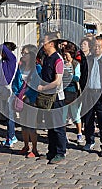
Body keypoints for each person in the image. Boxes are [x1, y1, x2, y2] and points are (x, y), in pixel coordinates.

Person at [82, 35, 102, 157]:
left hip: (101, 95)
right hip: (89, 93)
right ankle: (89, 141)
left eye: (99, 46)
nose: (96, 48)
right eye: (95, 46)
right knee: (88, 120)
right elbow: (83, 77)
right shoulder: (88, 60)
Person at [37, 32, 66, 164]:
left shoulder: (58, 59)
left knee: (58, 127)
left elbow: (57, 81)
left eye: (44, 41)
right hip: (46, 97)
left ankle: (60, 152)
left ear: (51, 44)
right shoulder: (46, 58)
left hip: (56, 98)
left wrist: (44, 88)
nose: (42, 43)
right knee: (50, 126)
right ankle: (51, 151)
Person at [13, 44, 42, 157]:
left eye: (25, 53)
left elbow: (37, 85)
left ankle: (34, 149)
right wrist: (17, 94)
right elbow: (15, 83)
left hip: (31, 101)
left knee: (31, 126)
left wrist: (28, 95)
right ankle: (26, 145)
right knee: (23, 124)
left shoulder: (38, 69)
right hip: (21, 100)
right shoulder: (20, 68)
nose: (22, 55)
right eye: (22, 53)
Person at [0, 42, 18, 148]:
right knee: (7, 115)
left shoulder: (11, 59)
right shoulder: (2, 61)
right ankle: (11, 136)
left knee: (10, 115)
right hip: (2, 90)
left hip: (9, 91)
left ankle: (11, 137)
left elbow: (3, 47)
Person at [61, 43, 83, 145]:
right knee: (63, 115)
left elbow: (77, 77)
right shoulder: (61, 64)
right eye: (64, 55)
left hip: (73, 92)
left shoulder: (76, 64)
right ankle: (64, 135)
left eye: (67, 55)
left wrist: (70, 76)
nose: (65, 57)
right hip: (63, 92)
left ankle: (79, 134)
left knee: (76, 115)